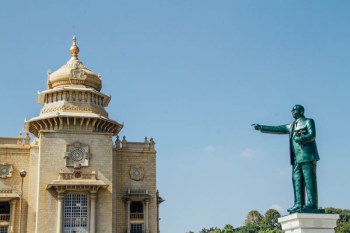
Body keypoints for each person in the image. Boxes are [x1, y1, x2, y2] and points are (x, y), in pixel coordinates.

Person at [253, 105, 321, 213]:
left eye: (295, 109)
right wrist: (262, 127)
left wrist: (301, 138)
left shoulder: (308, 121)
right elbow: (277, 128)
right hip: (296, 158)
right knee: (296, 180)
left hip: (307, 156)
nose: (293, 112)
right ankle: (298, 203)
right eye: (292, 110)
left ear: (302, 111)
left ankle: (312, 204)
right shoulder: (291, 125)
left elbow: (312, 135)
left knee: (309, 180)